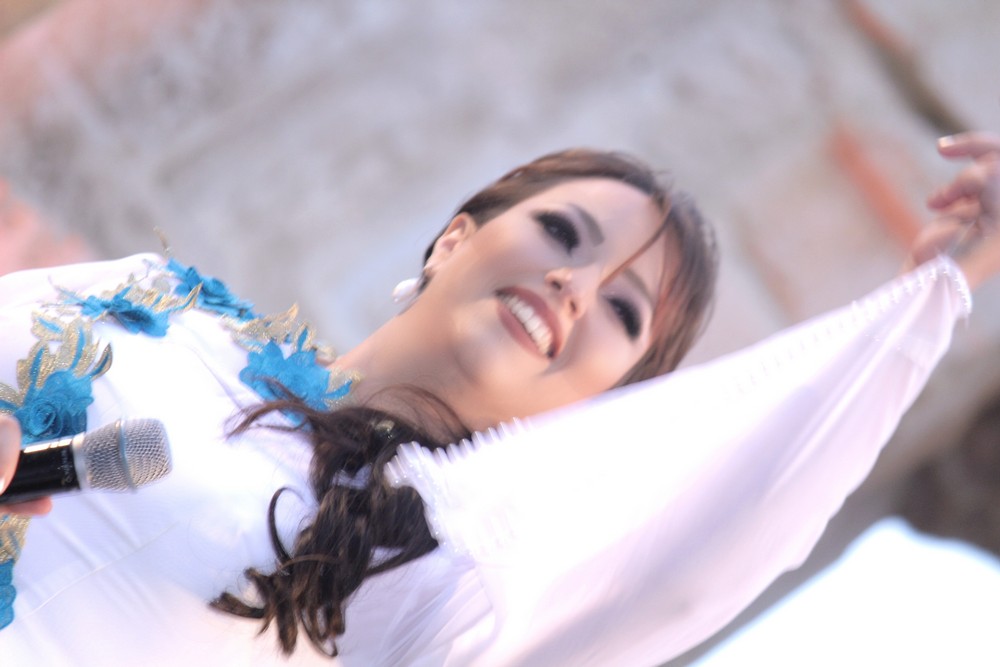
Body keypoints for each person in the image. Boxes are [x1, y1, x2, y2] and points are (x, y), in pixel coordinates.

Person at [0, 131, 997, 666]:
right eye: (563, 235)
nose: (573, 285)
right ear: (456, 237)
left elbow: (725, 530)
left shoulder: (430, 583)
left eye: (621, 312)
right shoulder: (159, 306)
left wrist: (944, 286)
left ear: (604, 402)